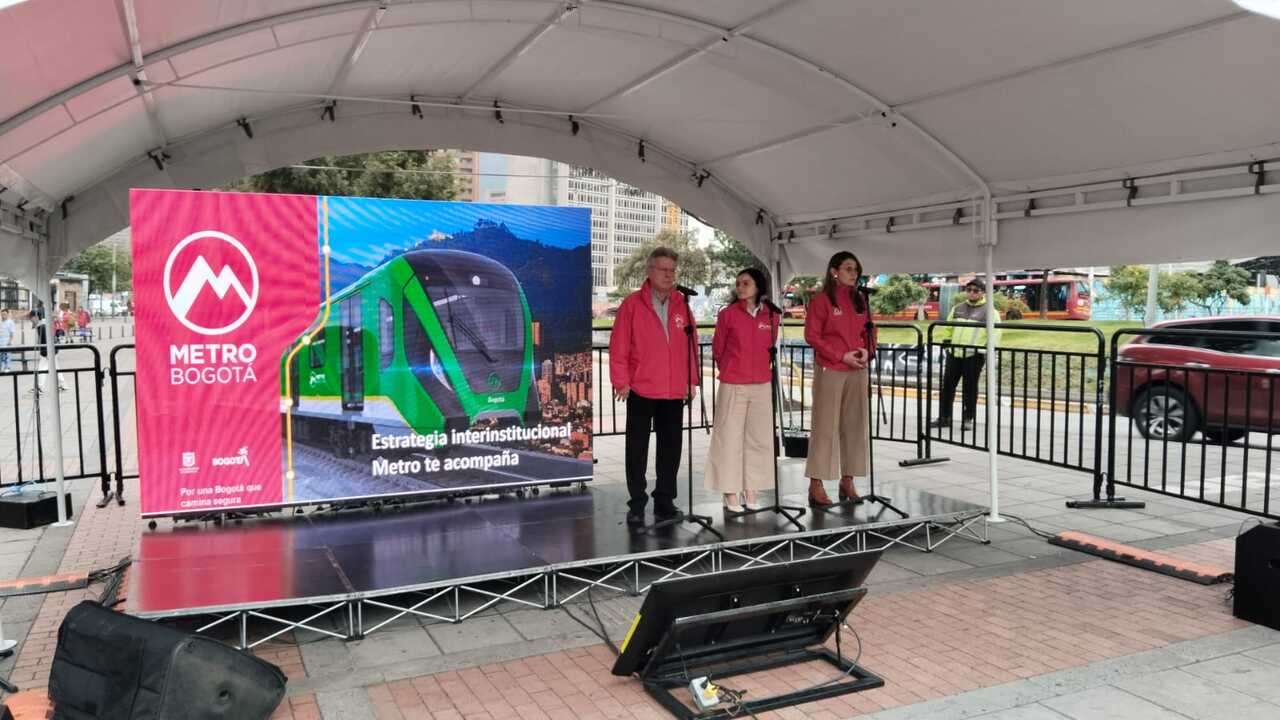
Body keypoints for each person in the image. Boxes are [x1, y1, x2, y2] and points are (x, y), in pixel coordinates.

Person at [610, 247, 699, 525]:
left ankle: (665, 500)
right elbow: (619, 345)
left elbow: (691, 344)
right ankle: (637, 502)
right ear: (649, 271)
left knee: (671, 447)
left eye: (672, 270)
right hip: (640, 388)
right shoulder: (632, 305)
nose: (668, 275)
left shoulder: (682, 304)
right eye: (663, 269)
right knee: (636, 448)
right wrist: (620, 381)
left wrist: (692, 380)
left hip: (673, 390)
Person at [804, 251, 876, 507]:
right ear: (834, 271)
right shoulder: (821, 300)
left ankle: (848, 479)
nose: (853, 273)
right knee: (825, 428)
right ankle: (817, 483)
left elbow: (870, 331)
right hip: (832, 369)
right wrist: (840, 355)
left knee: (855, 426)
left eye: (856, 269)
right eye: (848, 268)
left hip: (857, 369)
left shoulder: (860, 300)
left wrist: (869, 351)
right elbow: (812, 336)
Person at [705, 268, 779, 513]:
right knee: (729, 439)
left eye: (746, 283)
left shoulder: (771, 316)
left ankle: (752, 490)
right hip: (733, 384)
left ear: (758, 286)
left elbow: (770, 347)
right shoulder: (728, 314)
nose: (740, 287)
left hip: (761, 384)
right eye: (738, 283)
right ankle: (730, 492)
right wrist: (731, 368)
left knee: (758, 440)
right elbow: (718, 348)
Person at [931, 278, 1001, 431]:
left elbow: (995, 333)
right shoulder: (957, 308)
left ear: (983, 292)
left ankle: (968, 418)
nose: (971, 293)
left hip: (974, 355)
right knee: (947, 386)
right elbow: (949, 327)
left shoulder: (990, 311)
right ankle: (944, 417)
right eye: (968, 290)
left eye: (976, 290)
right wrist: (947, 340)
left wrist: (988, 350)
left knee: (969, 389)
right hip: (954, 353)